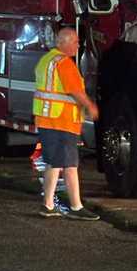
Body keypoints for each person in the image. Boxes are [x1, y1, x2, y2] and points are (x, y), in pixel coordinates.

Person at [33, 27, 100, 220]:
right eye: (75, 41)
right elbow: (75, 92)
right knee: (70, 165)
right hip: (61, 122)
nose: (78, 45)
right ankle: (76, 207)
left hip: (48, 120)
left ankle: (48, 205)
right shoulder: (64, 63)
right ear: (63, 43)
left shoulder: (47, 60)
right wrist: (90, 106)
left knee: (54, 163)